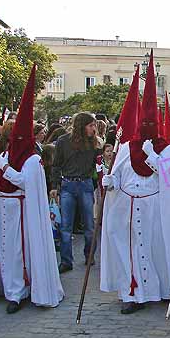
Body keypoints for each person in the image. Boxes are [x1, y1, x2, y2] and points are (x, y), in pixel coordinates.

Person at [100, 55, 170, 313]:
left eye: (150, 124)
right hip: (127, 205)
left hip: (154, 207)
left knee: (152, 249)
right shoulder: (125, 147)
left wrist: (153, 156)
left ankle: (156, 289)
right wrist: (110, 182)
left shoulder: (166, 149)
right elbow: (121, 174)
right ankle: (132, 292)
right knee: (129, 249)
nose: (145, 127)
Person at [0, 66, 64, 313]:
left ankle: (18, 291)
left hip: (21, 209)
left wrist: (7, 169)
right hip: (2, 205)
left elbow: (26, 183)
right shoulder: (4, 154)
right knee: (4, 249)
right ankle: (6, 287)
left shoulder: (32, 160)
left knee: (17, 251)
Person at [51, 112, 99, 273]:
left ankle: (89, 255)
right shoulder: (63, 141)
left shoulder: (94, 143)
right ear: (82, 125)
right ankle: (66, 260)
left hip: (85, 184)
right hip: (68, 184)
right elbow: (56, 164)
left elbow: (97, 165)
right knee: (66, 226)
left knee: (89, 225)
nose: (94, 128)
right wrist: (54, 185)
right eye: (91, 125)